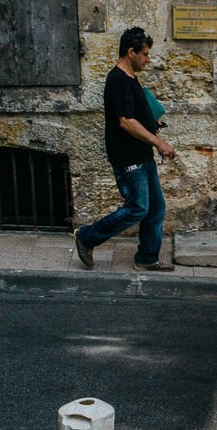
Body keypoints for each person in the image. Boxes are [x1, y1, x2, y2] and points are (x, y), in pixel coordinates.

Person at [74, 27, 177, 271]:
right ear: (130, 52)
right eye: (145, 54)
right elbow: (125, 121)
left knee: (155, 207)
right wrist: (158, 142)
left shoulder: (131, 78)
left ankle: (147, 257)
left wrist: (153, 123)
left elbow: (134, 115)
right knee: (138, 207)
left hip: (141, 154)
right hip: (128, 157)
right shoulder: (117, 80)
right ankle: (86, 237)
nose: (148, 59)